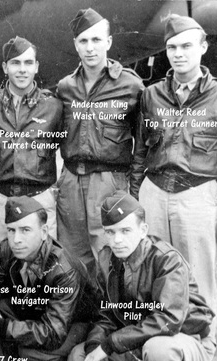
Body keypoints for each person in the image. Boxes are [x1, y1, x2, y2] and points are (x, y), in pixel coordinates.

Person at [131, 14, 217, 336]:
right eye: (172, 47)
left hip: (198, 195)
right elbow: (140, 151)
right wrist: (135, 198)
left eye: (187, 46)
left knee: (198, 282)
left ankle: (199, 357)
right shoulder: (152, 95)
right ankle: (157, 353)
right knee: (152, 275)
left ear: (203, 48)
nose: (179, 53)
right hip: (154, 192)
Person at [69, 191, 215, 361]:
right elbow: (105, 315)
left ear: (143, 230)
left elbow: (168, 320)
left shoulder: (166, 259)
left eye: (125, 231)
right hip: (137, 340)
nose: (117, 240)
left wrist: (109, 345)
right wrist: (96, 346)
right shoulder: (105, 259)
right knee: (80, 358)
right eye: (110, 232)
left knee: (159, 350)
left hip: (185, 339)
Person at [56, 8, 144, 278]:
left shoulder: (131, 85)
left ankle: (110, 318)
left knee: (109, 252)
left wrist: (135, 193)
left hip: (110, 181)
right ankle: (78, 316)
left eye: (96, 40)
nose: (90, 48)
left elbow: (140, 147)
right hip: (71, 179)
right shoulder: (65, 87)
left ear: (108, 42)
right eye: (83, 41)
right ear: (75, 45)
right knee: (71, 255)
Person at [0, 196, 82, 361]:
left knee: (28, 349)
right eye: (11, 230)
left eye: (25, 230)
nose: (16, 240)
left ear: (44, 232)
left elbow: (54, 333)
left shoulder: (64, 269)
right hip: (42, 315)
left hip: (74, 325)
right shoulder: (8, 248)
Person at [0, 36, 62, 267]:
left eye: (28, 63)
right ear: (5, 67)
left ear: (36, 67)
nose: (22, 69)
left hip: (38, 197)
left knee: (44, 262)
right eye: (15, 63)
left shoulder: (54, 106)